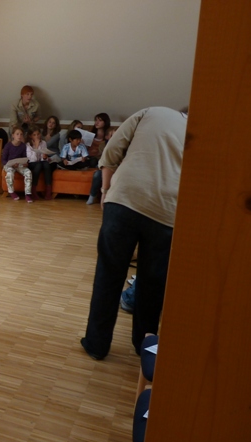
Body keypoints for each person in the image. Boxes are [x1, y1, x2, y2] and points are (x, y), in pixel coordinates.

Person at [80, 106, 187, 360]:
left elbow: (111, 151)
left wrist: (105, 190)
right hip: (166, 211)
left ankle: (96, 344)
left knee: (108, 274)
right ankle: (144, 345)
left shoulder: (151, 112)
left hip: (124, 200)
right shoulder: (201, 132)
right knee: (152, 284)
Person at [1, 127, 33, 202]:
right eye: (17, 134)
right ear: (13, 135)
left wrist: (25, 163)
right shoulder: (8, 146)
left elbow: (24, 157)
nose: (19, 136)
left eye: (21, 134)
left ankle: (28, 194)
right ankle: (11, 191)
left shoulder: (23, 146)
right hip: (9, 165)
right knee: (10, 173)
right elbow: (4, 160)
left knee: (28, 172)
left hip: (19, 164)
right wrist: (11, 165)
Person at [87, 126, 117, 205]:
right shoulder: (103, 145)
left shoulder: (121, 146)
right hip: (105, 166)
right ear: (107, 137)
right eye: (112, 136)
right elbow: (102, 158)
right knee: (97, 175)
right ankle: (92, 196)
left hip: (117, 168)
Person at [26, 127, 54, 199]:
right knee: (38, 165)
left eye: (38, 134)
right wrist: (36, 146)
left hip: (41, 162)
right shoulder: (28, 145)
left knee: (46, 164)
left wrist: (44, 157)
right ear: (30, 136)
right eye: (34, 135)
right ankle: (33, 190)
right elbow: (32, 159)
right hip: (32, 163)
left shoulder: (43, 143)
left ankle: (48, 191)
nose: (37, 136)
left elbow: (43, 157)